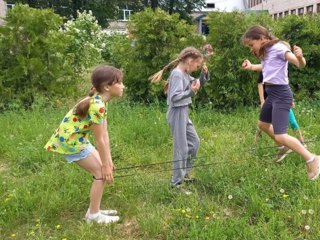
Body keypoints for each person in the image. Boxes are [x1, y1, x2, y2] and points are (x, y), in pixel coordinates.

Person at [44, 65, 125, 223]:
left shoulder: (101, 102)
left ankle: (94, 210)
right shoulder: (97, 106)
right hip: (71, 142)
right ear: (107, 87)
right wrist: (106, 166)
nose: (123, 86)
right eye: (120, 82)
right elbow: (99, 139)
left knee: (103, 168)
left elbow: (105, 134)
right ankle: (93, 216)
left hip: (78, 139)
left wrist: (108, 161)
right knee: (101, 174)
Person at [241, 25, 320, 180]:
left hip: (282, 94)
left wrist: (300, 58)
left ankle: (312, 159)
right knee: (263, 124)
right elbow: (265, 67)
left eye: (251, 44)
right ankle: (285, 147)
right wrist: (251, 67)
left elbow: (299, 64)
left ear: (262, 38)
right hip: (271, 93)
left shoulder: (278, 48)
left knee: (280, 135)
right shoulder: (266, 52)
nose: (251, 48)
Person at [149, 47, 209, 188]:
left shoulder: (184, 73)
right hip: (177, 112)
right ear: (189, 61)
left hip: (184, 111)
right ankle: (176, 183)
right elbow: (174, 98)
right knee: (180, 148)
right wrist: (191, 92)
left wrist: (203, 76)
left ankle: (185, 174)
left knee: (194, 142)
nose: (196, 68)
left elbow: (195, 84)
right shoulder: (177, 74)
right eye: (196, 65)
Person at [256, 72, 306, 149]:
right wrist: (262, 101)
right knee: (262, 125)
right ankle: (255, 146)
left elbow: (286, 84)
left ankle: (301, 143)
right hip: (268, 101)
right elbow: (260, 84)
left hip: (282, 100)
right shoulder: (267, 66)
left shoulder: (283, 66)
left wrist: (291, 99)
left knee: (292, 122)